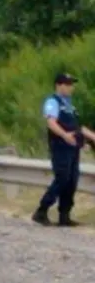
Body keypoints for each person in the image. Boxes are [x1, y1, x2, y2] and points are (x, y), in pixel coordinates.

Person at [32, 73, 95, 226]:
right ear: (59, 85)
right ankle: (42, 210)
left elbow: (77, 127)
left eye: (71, 84)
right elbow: (51, 122)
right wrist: (64, 135)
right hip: (60, 146)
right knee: (62, 179)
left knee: (72, 180)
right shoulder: (53, 102)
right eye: (68, 84)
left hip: (73, 147)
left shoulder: (70, 106)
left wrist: (91, 136)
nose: (71, 87)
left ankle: (64, 215)